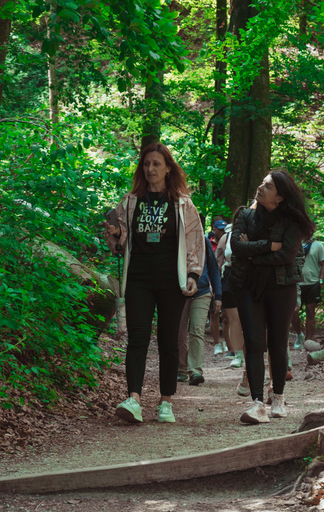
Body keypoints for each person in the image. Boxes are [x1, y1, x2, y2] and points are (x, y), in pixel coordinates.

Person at [102, 143, 204, 424]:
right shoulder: (131, 200)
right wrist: (116, 232)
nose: (150, 169)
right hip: (139, 279)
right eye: (146, 164)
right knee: (137, 339)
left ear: (168, 168)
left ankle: (166, 402)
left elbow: (195, 242)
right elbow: (119, 242)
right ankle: (133, 400)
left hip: (172, 280)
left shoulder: (182, 203)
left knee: (169, 341)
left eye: (156, 164)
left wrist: (194, 275)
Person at [230, 170, 315, 424]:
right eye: (262, 183)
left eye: (267, 186)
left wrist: (253, 253)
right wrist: (269, 245)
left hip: (282, 288)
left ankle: (278, 397)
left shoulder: (292, 222)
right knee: (254, 343)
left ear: (279, 197)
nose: (260, 187)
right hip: (249, 287)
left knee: (278, 344)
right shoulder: (245, 215)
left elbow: (287, 256)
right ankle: (257, 403)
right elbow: (237, 247)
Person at [177, 235, 222, 386]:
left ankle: (195, 371)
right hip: (178, 293)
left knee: (196, 329)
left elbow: (214, 268)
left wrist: (218, 296)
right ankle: (181, 369)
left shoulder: (202, 240)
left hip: (202, 292)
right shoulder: (175, 237)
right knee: (179, 333)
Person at [214, 223, 249, 396]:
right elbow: (218, 259)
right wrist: (214, 282)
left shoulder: (252, 233)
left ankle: (247, 354)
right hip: (228, 276)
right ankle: (238, 353)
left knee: (244, 318)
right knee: (230, 317)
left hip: (248, 276)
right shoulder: (225, 237)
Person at [291, 238, 324, 349]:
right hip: (296, 283)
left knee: (310, 311)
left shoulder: (318, 245)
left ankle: (309, 340)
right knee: (293, 311)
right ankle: (299, 334)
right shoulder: (294, 243)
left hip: (313, 283)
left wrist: (321, 280)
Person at [209, 219, 227, 355]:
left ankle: (229, 342)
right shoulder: (208, 242)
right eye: (219, 229)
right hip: (214, 281)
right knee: (214, 312)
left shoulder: (229, 241)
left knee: (227, 314)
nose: (221, 232)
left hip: (226, 281)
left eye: (223, 230)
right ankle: (217, 343)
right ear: (213, 229)